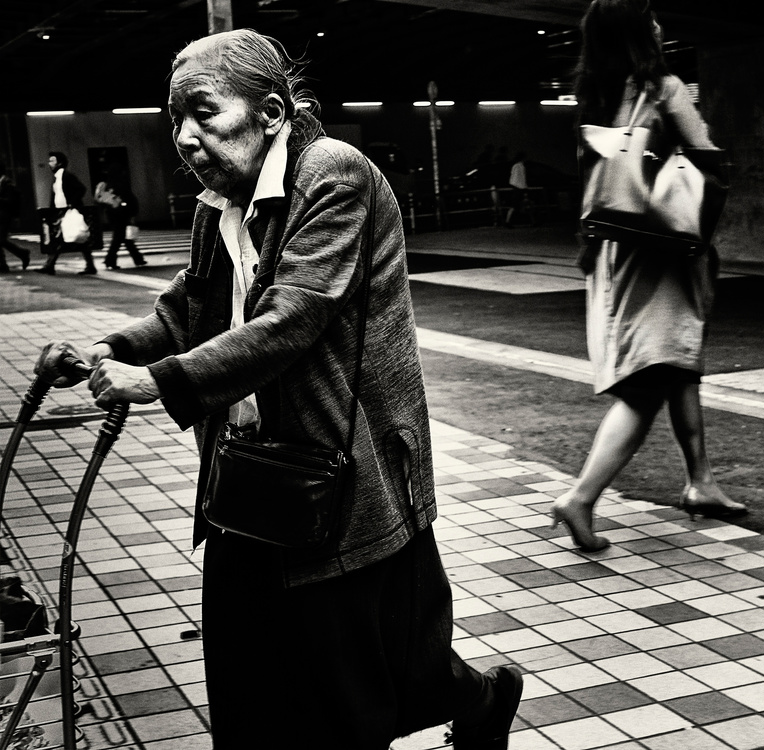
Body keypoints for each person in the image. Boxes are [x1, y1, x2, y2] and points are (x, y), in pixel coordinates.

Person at [34, 30, 521, 750]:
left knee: (364, 689)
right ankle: (472, 703)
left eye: (203, 112)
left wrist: (157, 383)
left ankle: (481, 703)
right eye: (175, 120)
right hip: (247, 477)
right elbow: (185, 307)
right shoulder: (216, 204)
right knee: (252, 678)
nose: (185, 137)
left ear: (269, 112)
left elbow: (291, 318)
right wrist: (110, 348)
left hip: (344, 475)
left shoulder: (333, 176)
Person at [550, 0, 746, 552]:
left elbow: (599, 179)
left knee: (677, 363)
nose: (661, 24)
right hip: (661, 248)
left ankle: (701, 481)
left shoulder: (596, 93)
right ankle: (581, 497)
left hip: (618, 244)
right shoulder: (662, 87)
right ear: (639, 31)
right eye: (651, 17)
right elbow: (707, 156)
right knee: (648, 381)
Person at [36, 151, 98, 275]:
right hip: (61, 212)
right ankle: (51, 265)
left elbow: (81, 189)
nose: (49, 164)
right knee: (61, 239)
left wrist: (72, 204)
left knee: (72, 238)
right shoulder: (57, 177)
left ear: (60, 163)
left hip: (69, 212)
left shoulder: (67, 176)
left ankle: (50, 265)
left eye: (52, 161)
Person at [95, 171, 146, 269]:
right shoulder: (122, 186)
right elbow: (131, 200)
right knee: (120, 239)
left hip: (113, 215)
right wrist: (132, 214)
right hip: (123, 215)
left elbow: (103, 201)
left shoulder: (108, 187)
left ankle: (136, 259)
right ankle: (111, 260)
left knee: (122, 238)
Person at [0, 164, 31, 272]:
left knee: (1, 239)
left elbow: (10, 201)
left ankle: (22, 253)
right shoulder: (2, 181)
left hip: (4, 216)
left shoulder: (7, 183)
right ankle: (3, 264)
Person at [503, 151, 535, 227]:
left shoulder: (515, 166)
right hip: (520, 188)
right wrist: (525, 187)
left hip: (516, 188)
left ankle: (508, 222)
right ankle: (533, 221)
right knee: (527, 204)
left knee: (515, 206)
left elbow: (513, 178)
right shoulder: (519, 166)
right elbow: (521, 179)